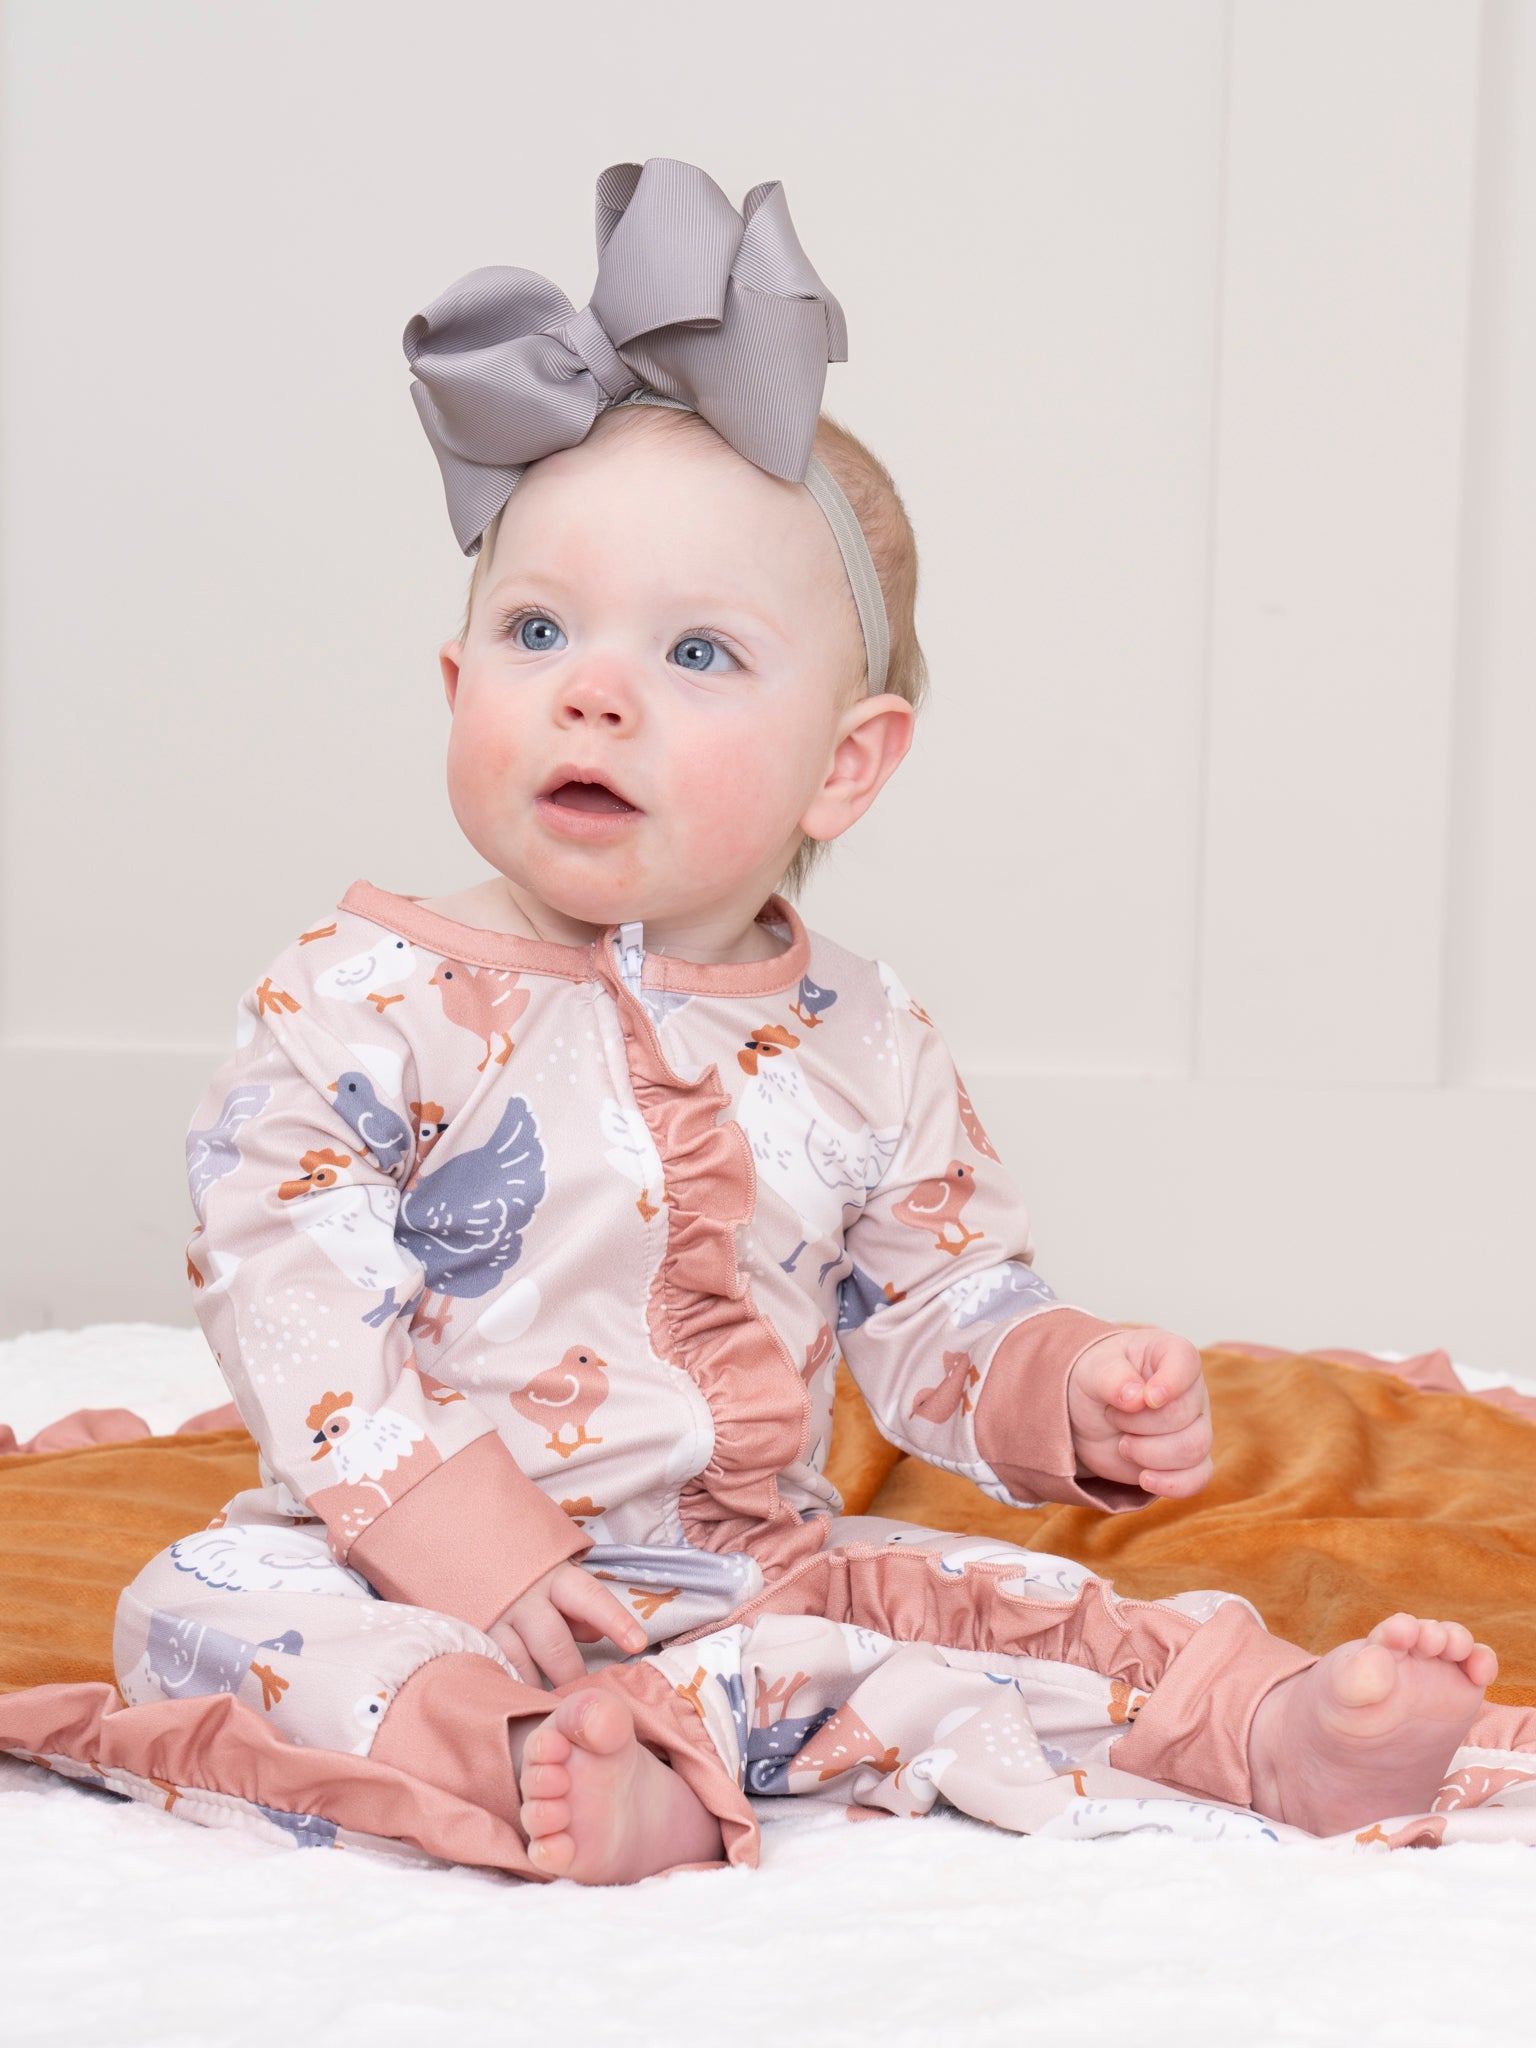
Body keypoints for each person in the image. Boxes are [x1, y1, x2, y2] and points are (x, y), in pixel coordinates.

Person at [120, 160, 1503, 1884]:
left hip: (743, 1578)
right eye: (538, 629)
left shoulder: (862, 1034)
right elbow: (293, 1291)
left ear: (845, 765)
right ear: (460, 686)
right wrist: (459, 1541)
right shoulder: (356, 996)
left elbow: (939, 1300)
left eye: (697, 654)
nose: (593, 690)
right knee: (204, 1607)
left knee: (988, 1608)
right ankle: (534, 1755)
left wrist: (1064, 1384)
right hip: (405, 1563)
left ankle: (1271, 1726)